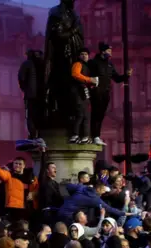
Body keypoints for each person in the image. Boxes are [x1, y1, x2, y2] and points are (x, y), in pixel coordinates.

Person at [44, 0, 84, 128]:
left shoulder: (74, 14)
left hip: (74, 54)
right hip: (62, 56)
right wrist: (73, 31)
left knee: (73, 85)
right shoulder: (56, 13)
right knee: (62, 84)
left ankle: (70, 112)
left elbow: (80, 34)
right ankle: (59, 111)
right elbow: (57, 36)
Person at [89, 42, 132, 145]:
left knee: (100, 115)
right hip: (96, 92)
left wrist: (126, 76)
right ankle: (93, 136)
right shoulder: (94, 62)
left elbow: (116, 78)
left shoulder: (110, 64)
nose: (110, 52)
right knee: (95, 114)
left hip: (105, 93)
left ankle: (96, 136)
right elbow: (88, 76)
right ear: (103, 51)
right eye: (108, 50)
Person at [69, 47, 98, 144]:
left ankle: (85, 136)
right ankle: (75, 135)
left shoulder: (87, 66)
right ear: (79, 56)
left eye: (86, 54)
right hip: (79, 93)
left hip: (84, 93)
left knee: (85, 115)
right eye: (82, 54)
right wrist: (90, 80)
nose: (84, 56)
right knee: (81, 114)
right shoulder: (78, 64)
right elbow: (75, 74)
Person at [18, 49, 46, 139]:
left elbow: (21, 78)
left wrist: (25, 89)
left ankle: (33, 134)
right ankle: (40, 134)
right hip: (42, 95)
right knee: (40, 114)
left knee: (30, 116)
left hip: (30, 95)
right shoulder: (44, 64)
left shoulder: (27, 64)